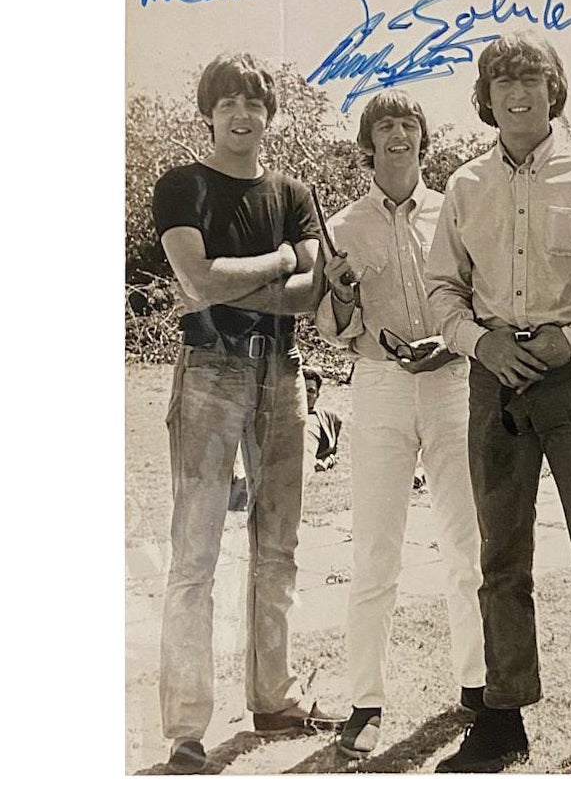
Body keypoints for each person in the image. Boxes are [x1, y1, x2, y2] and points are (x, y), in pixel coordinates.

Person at [425, 32, 571, 775]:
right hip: (494, 377)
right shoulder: (464, 186)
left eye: (530, 80)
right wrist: (480, 343)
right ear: (486, 96)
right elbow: (441, 290)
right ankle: (501, 718)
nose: (517, 94)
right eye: (502, 82)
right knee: (500, 556)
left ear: (553, 89)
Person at [152, 53, 340, 774]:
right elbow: (195, 279)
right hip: (209, 371)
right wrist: (281, 258)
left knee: (278, 547)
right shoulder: (183, 186)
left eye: (253, 103)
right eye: (227, 102)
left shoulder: (294, 190)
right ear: (208, 112)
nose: (242, 114)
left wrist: (246, 279)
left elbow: (311, 294)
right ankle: (186, 728)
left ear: (269, 113)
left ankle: (273, 695)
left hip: (283, 372)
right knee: (194, 556)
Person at [314, 90, 486, 759]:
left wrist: (451, 343)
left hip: (451, 383)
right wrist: (343, 294)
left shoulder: (455, 208)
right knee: (375, 551)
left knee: (466, 543)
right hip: (380, 389)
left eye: (408, 124)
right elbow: (333, 330)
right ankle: (366, 702)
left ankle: (476, 686)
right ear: (368, 145)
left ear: (423, 140)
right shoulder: (342, 224)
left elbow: (477, 297)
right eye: (383, 125)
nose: (397, 134)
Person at [302, 366, 343, 472]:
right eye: (302, 390)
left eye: (311, 391)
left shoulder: (321, 419)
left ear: (317, 395)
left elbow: (337, 453)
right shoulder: (280, 416)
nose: (306, 395)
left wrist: (326, 461)